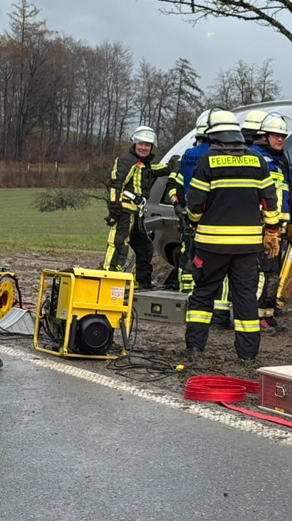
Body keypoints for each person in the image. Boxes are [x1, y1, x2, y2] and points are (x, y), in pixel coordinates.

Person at [183, 110, 279, 363]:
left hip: (211, 245)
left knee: (204, 294)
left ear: (213, 136)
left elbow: (195, 203)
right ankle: (248, 354)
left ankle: (195, 347)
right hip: (247, 247)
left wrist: (193, 221)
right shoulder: (257, 161)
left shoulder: (208, 161)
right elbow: (270, 200)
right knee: (245, 298)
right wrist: (272, 231)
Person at [104, 126, 178, 289]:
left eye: (147, 145)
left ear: (152, 147)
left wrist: (171, 166)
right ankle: (110, 279)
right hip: (124, 211)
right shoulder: (127, 160)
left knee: (145, 247)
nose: (144, 147)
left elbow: (153, 170)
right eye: (141, 144)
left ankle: (143, 282)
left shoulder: (143, 164)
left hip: (136, 213)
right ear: (135, 143)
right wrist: (115, 208)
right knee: (118, 245)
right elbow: (116, 184)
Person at [249, 112, 292, 331]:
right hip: (261, 227)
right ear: (264, 136)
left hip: (277, 227)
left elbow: (286, 193)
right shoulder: (255, 157)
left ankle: (266, 314)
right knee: (262, 274)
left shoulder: (281, 160)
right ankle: (254, 316)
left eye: (282, 136)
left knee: (273, 274)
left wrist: (290, 220)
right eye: (275, 135)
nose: (280, 139)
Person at [166, 110, 214, 293]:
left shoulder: (187, 156)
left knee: (189, 253)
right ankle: (199, 291)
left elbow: (175, 184)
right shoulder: (214, 156)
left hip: (189, 215)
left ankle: (186, 291)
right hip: (209, 217)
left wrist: (178, 205)